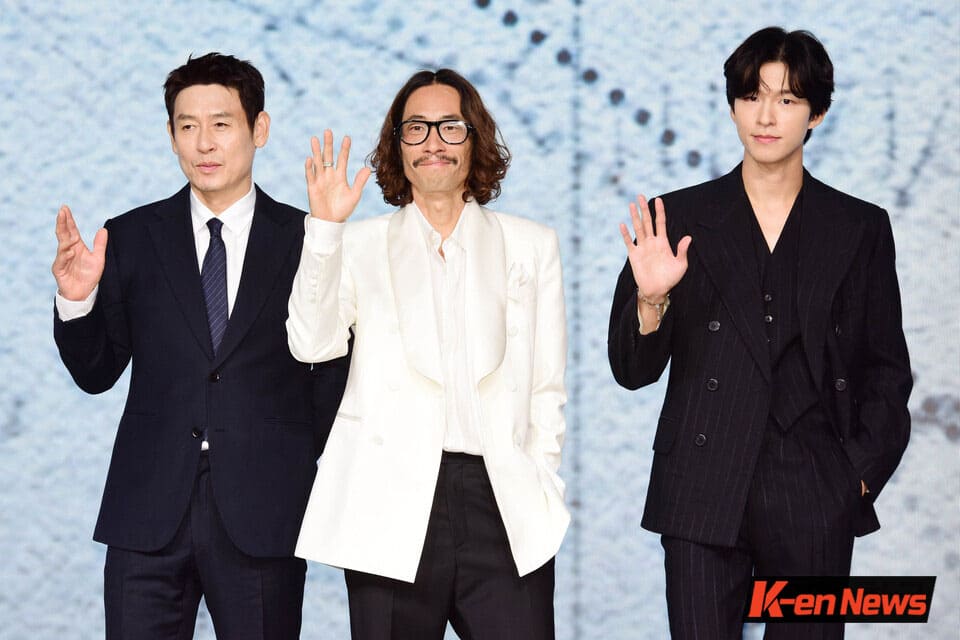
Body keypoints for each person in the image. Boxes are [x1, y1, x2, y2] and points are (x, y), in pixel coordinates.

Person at [608, 27, 911, 639]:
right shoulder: (678, 217)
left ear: (816, 113)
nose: (765, 116)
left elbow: (886, 367)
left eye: (787, 99)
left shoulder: (858, 227)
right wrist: (651, 298)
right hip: (701, 484)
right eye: (751, 96)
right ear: (732, 106)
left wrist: (854, 477)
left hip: (813, 485)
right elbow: (631, 370)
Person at [51, 52, 346, 639]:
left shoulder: (306, 239)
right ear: (171, 135)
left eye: (221, 124)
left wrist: (286, 461)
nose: (204, 143)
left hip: (264, 510)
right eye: (187, 126)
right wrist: (76, 302)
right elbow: (96, 372)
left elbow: (331, 380)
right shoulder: (131, 236)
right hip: (146, 510)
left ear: (259, 129)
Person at [286, 68, 569, 640]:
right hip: (390, 501)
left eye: (449, 127)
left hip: (502, 499)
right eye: (415, 128)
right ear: (397, 146)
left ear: (475, 139)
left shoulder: (531, 245)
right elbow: (310, 343)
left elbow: (547, 386)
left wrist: (541, 479)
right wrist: (325, 230)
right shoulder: (357, 244)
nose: (432, 142)